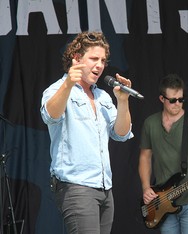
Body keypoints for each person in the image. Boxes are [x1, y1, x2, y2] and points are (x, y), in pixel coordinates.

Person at [40, 31, 134, 234]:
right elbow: (50, 116)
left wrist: (123, 101)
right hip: (76, 187)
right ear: (77, 59)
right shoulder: (56, 89)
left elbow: (121, 134)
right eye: (93, 58)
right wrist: (68, 84)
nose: (99, 65)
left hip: (105, 187)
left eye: (102, 60)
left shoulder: (102, 97)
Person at [138, 74, 188, 234]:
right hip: (163, 201)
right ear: (161, 99)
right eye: (172, 100)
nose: (177, 103)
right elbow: (145, 158)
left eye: (181, 99)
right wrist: (146, 188)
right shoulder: (150, 123)